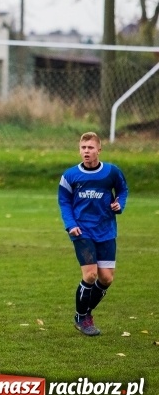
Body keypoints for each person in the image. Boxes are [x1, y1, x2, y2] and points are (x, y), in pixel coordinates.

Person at [58, 132, 128, 336]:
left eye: (90, 147)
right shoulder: (70, 175)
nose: (86, 151)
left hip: (106, 230)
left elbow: (122, 190)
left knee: (106, 279)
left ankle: (86, 312)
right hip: (81, 229)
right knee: (90, 275)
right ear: (79, 150)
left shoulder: (111, 172)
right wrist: (70, 224)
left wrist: (119, 204)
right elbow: (64, 202)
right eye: (83, 148)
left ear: (99, 150)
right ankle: (81, 318)